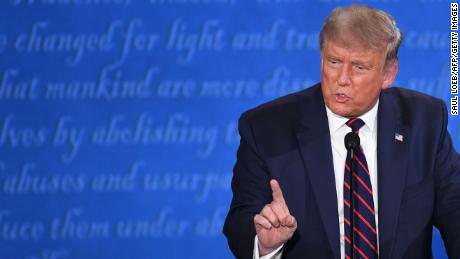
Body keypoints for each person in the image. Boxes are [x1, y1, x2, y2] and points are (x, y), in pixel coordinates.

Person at [223, 4, 460, 259]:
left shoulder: (424, 120)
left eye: (359, 67)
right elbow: (240, 219)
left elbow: (455, 208)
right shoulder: (266, 127)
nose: (342, 78)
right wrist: (266, 245)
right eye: (334, 62)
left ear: (388, 74)